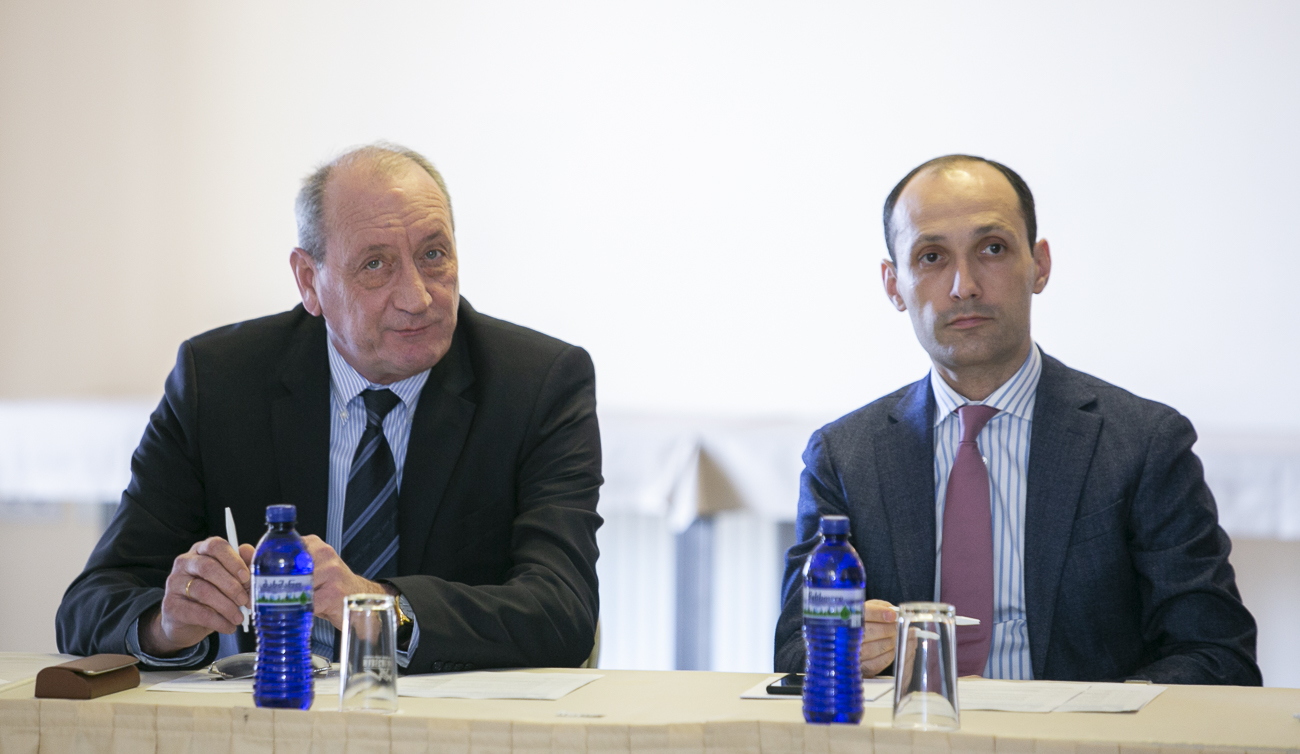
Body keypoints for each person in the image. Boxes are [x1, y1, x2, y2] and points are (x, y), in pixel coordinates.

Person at [56, 144, 603, 674]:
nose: (417, 297)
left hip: (451, 716)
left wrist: (377, 607)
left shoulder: (536, 385)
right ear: (309, 281)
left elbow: (563, 608)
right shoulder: (218, 383)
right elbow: (90, 603)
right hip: (272, 709)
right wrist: (166, 624)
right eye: (375, 265)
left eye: (434, 255)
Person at [774, 155, 1260, 685]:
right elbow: (794, 654)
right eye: (932, 257)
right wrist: (842, 650)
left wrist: (1103, 716)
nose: (964, 285)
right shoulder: (844, 458)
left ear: (1040, 265)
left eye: (992, 249)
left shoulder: (1144, 444)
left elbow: (1216, 654)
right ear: (894, 285)